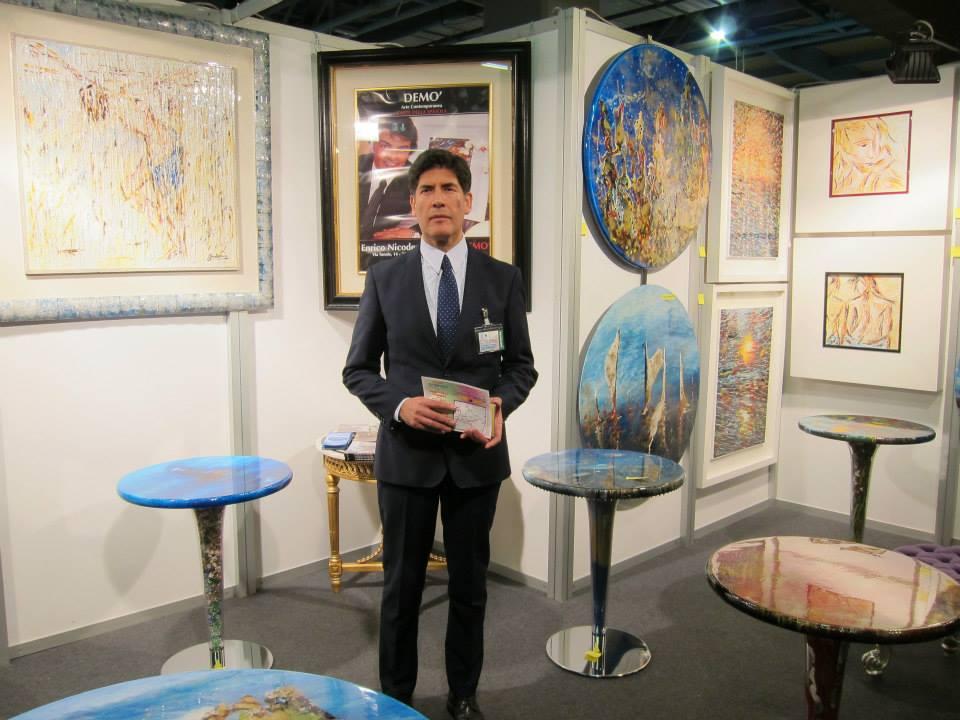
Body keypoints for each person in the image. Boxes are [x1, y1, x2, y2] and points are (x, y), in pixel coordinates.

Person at [343, 149, 537, 720]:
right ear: (413, 204)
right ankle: (396, 699)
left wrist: (500, 405)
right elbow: (358, 370)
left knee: (470, 588)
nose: (438, 199)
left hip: (476, 462)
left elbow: (521, 367)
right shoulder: (385, 279)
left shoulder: (502, 279)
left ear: (467, 202)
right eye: (426, 190)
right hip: (408, 460)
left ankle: (463, 694)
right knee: (401, 589)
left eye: (449, 188)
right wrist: (401, 405)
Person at [358, 116, 419, 241]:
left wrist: (414, 233)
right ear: (373, 144)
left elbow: (440, 216)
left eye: (402, 149)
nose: (393, 157)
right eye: (385, 146)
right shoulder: (353, 167)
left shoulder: (416, 178)